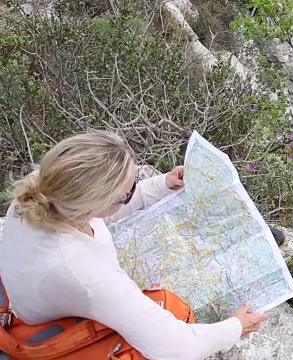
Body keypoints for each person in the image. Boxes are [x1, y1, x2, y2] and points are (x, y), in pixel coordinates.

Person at [0, 131, 268, 360]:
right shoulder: (87, 275)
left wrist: (162, 184)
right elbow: (177, 346)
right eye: (127, 192)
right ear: (93, 204)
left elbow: (97, 210)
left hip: (28, 297)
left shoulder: (43, 188)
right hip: (49, 326)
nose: (133, 192)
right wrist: (235, 327)